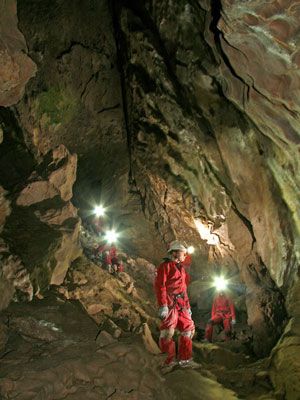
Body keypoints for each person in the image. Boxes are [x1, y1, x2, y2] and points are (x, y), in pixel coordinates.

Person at [154, 240, 196, 367]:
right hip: (170, 302)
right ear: (176, 253)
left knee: (189, 330)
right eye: (183, 253)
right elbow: (160, 285)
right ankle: (168, 361)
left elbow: (184, 289)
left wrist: (187, 306)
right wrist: (163, 305)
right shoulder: (165, 266)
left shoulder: (181, 268)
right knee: (168, 331)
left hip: (181, 303)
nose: (185, 255)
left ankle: (185, 359)